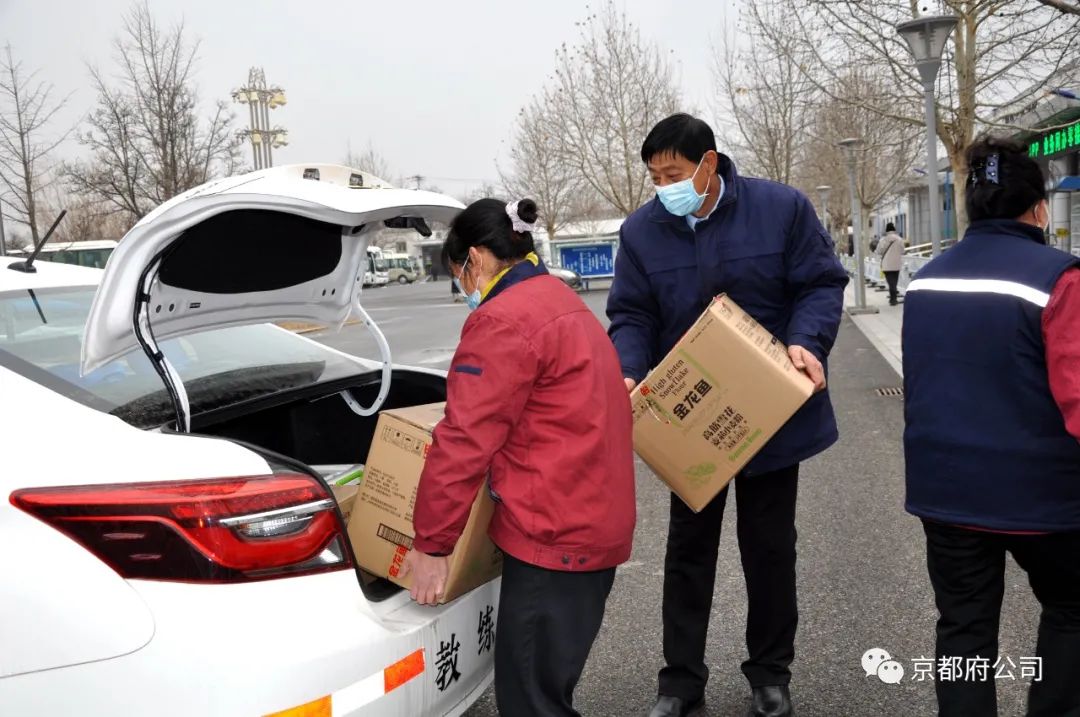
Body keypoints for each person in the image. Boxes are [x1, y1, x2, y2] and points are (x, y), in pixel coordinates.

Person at [607, 113, 848, 717]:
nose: (664, 186)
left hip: (768, 413)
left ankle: (770, 675)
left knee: (769, 548)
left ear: (708, 164)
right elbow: (631, 314)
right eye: (655, 176)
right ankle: (680, 683)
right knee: (688, 550)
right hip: (690, 421)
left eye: (674, 173)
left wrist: (807, 342)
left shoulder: (782, 209)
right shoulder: (642, 232)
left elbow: (821, 283)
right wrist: (627, 370)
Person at [402, 197, 637, 717]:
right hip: (591, 522)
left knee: (532, 704)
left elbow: (463, 440)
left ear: (477, 259)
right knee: (549, 690)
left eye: (458, 274)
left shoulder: (503, 321)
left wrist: (431, 544)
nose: (463, 287)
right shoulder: (560, 300)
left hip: (553, 537)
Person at [903, 136, 1080, 717]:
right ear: (1037, 208)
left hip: (946, 492)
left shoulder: (926, 281)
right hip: (1045, 498)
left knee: (963, 628)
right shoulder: (1060, 280)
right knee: (1072, 609)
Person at [876, 222, 906, 306]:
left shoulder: (883, 240)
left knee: (890, 282)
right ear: (894, 229)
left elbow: (879, 251)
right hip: (896, 264)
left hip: (886, 264)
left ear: (886, 230)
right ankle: (893, 298)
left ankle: (893, 299)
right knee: (894, 282)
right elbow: (903, 251)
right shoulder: (899, 239)